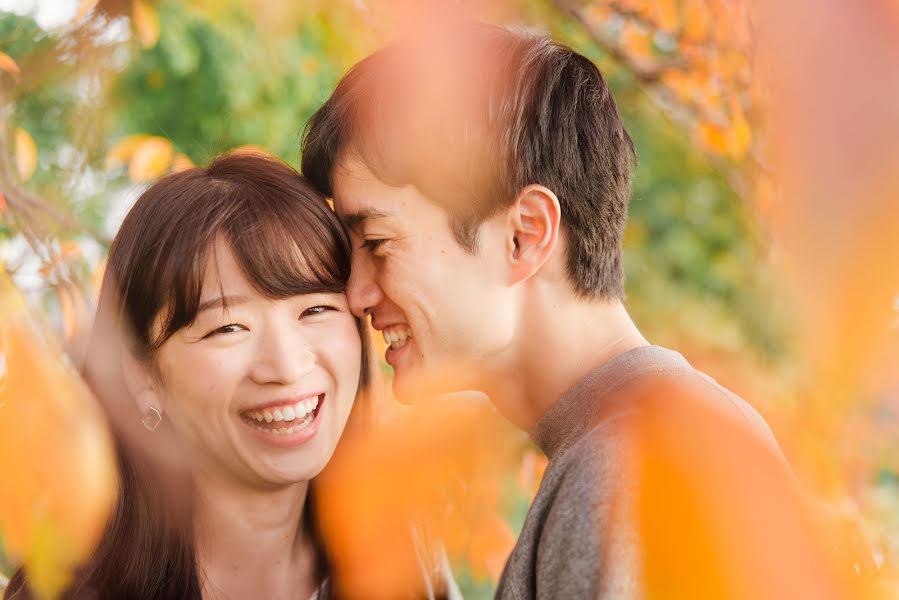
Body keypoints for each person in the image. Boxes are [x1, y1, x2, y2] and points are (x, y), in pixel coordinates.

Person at [302, 22, 850, 599]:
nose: (357, 294)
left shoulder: (622, 470)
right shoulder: (644, 441)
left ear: (525, 236)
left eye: (377, 244)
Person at [4, 153, 450, 599]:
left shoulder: (406, 560)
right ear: (142, 377)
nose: (287, 367)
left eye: (315, 310)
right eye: (228, 328)